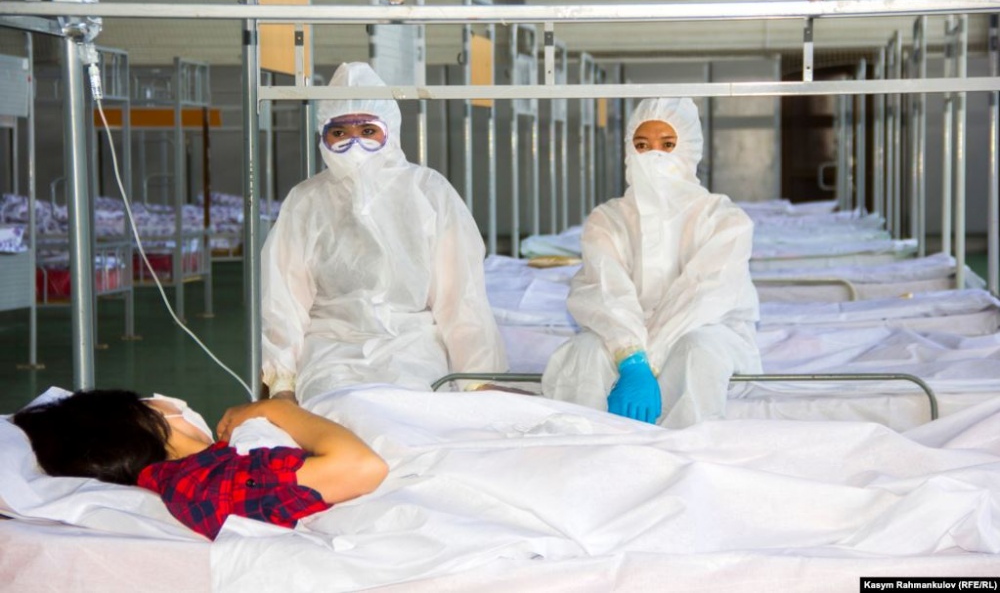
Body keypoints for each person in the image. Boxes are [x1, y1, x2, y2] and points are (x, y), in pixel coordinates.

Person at [261, 62, 507, 403]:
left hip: (413, 349)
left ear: (390, 130)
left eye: (367, 131)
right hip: (331, 353)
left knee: (413, 414)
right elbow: (283, 301)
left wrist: (476, 379)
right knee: (338, 413)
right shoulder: (306, 201)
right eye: (339, 133)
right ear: (323, 136)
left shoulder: (428, 191)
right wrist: (281, 383)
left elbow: (461, 297)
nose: (354, 144)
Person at [541, 98, 761, 429]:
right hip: (623, 334)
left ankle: (686, 453)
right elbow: (605, 292)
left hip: (706, 329)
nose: (654, 156)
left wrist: (648, 360)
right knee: (586, 352)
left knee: (696, 352)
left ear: (689, 149)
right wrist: (631, 358)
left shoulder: (724, 220)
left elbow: (702, 297)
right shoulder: (609, 219)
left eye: (667, 145)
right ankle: (585, 449)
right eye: (642, 145)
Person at [12, 389, 388, 540]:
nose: (170, 400)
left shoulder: (216, 463)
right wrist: (275, 409)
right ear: (141, 419)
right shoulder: (200, 482)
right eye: (146, 398)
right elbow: (360, 467)